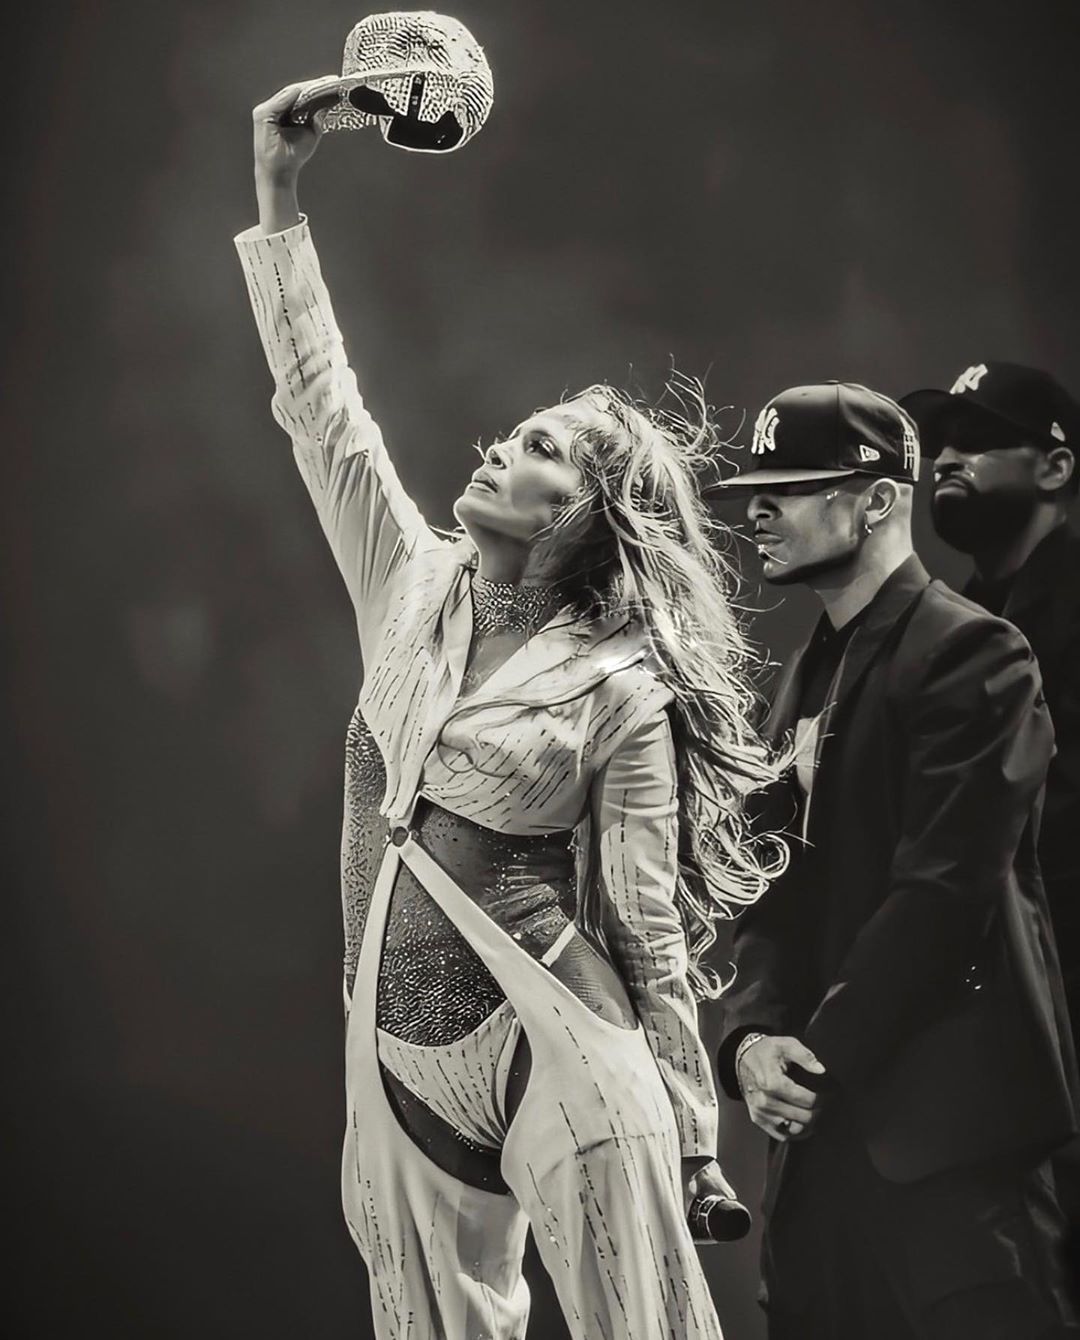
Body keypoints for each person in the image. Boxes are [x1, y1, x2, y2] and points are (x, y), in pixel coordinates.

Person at [234, 84, 784, 1340]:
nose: (498, 447)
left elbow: (644, 923)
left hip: (560, 1037)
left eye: (540, 446)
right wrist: (280, 191)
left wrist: (694, 1129)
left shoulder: (623, 685)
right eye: (510, 433)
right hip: (391, 1056)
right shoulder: (407, 585)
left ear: (587, 511)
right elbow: (322, 409)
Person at [709, 381, 1079, 1339]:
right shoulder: (800, 680)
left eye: (791, 488)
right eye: (754, 490)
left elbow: (944, 891)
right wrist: (749, 1041)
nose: (757, 511)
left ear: (877, 499)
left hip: (949, 1152)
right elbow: (763, 894)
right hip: (819, 1161)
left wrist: (811, 1061)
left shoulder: (977, 651)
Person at [901, 362, 1080, 1028]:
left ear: (1055, 468)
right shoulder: (949, 626)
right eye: (940, 444)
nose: (947, 459)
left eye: (977, 440)